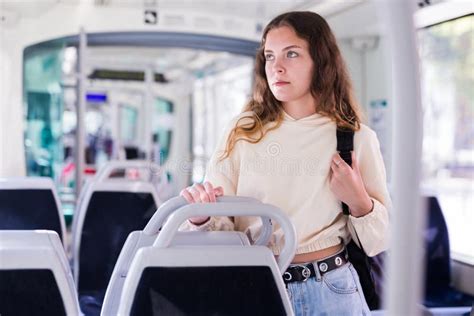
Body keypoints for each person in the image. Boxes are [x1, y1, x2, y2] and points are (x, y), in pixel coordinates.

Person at [180, 11, 390, 316]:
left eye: (291, 54)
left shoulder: (354, 138)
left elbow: (379, 241)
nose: (276, 67)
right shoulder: (242, 132)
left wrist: (359, 201)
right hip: (256, 285)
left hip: (332, 289)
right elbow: (219, 223)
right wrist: (200, 218)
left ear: (320, 61)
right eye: (269, 56)